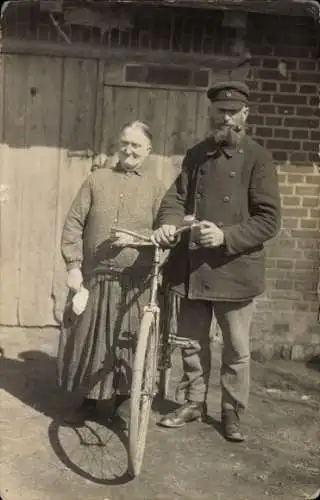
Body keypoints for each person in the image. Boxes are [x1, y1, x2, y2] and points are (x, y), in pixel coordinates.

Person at [152, 81, 281, 442]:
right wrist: (168, 224)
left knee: (236, 349)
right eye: (219, 111)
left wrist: (226, 236)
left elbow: (270, 219)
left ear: (245, 114)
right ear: (211, 113)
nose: (225, 117)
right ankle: (193, 402)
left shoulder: (258, 158)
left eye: (232, 111)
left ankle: (231, 411)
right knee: (191, 343)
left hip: (235, 269)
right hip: (194, 266)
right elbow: (175, 200)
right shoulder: (195, 155)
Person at [57, 120, 170, 428]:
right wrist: (73, 265)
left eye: (136, 145)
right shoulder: (97, 180)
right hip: (96, 277)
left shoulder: (158, 188)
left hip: (135, 281)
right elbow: (73, 224)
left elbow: (165, 231)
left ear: (148, 150)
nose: (129, 150)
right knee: (89, 341)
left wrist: (142, 238)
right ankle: (87, 402)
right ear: (117, 145)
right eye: (124, 143)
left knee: (127, 346)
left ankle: (119, 406)